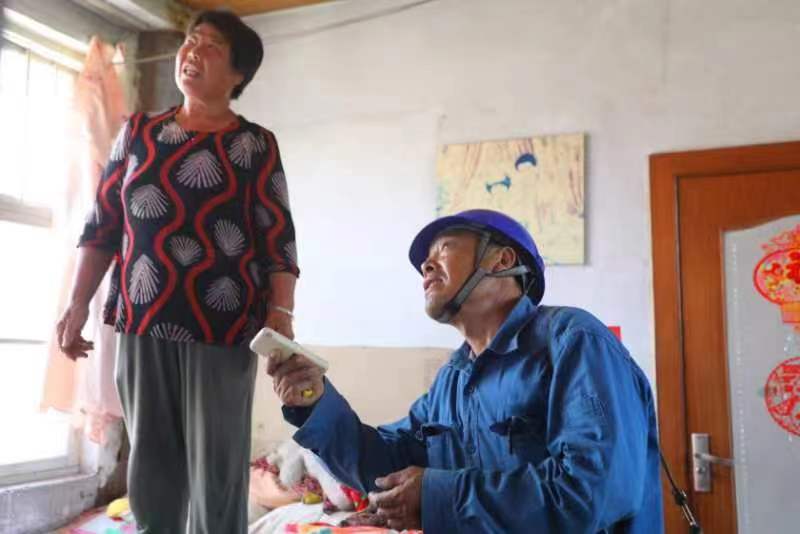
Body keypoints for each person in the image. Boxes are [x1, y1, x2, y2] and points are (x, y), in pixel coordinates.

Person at [268, 209, 663, 533]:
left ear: (502, 261)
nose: (426, 265)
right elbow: (383, 465)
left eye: (444, 248)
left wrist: (437, 496)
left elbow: (596, 492)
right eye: (425, 260)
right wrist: (314, 402)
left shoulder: (574, 342)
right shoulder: (453, 380)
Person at [56, 10, 299, 534]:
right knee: (151, 463)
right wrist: (77, 304)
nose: (192, 52)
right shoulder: (137, 133)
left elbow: (277, 237)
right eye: (191, 40)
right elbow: (102, 225)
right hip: (143, 319)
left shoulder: (256, 145)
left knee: (217, 465)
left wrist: (282, 313)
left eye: (211, 46)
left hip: (224, 326)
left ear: (238, 74)